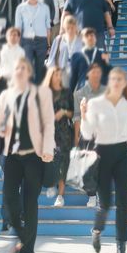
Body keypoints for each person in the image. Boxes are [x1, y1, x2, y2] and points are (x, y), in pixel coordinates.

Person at [0, 57, 55, 253]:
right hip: (12, 155)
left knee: (30, 204)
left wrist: (48, 149)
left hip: (34, 156)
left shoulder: (42, 93)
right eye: (16, 68)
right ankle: (23, 236)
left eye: (23, 67)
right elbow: (1, 126)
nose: (19, 71)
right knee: (10, 201)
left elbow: (49, 123)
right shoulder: (5, 96)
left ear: (29, 72)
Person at [80, 67, 127, 253]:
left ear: (125, 82)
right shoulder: (96, 103)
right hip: (102, 153)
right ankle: (96, 230)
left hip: (123, 154)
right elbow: (87, 134)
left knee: (123, 202)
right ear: (109, 82)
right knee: (105, 204)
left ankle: (121, 246)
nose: (117, 82)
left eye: (121, 79)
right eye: (114, 79)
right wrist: (84, 115)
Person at [43, 66, 74, 208]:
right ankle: (51, 183)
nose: (58, 77)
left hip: (64, 132)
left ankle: (61, 196)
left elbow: (72, 113)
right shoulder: (44, 93)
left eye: (59, 74)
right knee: (50, 161)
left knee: (63, 163)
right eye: (55, 74)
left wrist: (63, 112)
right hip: (48, 133)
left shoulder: (67, 92)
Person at [14, 0, 51, 84]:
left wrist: (48, 44)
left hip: (41, 40)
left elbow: (48, 27)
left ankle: (38, 92)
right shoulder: (20, 8)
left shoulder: (45, 8)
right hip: (27, 41)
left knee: (40, 68)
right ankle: (28, 90)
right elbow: (18, 28)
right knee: (28, 67)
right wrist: (18, 44)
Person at [0, 26, 25, 99]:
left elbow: (19, 69)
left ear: (19, 38)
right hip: (0, 81)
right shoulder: (1, 49)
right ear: (7, 37)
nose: (13, 37)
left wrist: (3, 75)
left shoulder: (21, 52)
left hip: (14, 82)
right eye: (11, 35)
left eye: (15, 35)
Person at [69, 27, 110, 93]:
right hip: (82, 90)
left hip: (98, 91)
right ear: (82, 39)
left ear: (96, 38)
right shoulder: (76, 56)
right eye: (87, 36)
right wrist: (70, 95)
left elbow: (106, 75)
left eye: (92, 35)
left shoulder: (102, 55)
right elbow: (73, 78)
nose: (90, 38)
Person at [47, 14, 82, 87]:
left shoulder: (81, 40)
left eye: (72, 27)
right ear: (64, 28)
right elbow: (52, 58)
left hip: (77, 73)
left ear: (76, 27)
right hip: (61, 72)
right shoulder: (59, 39)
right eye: (68, 28)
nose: (70, 30)